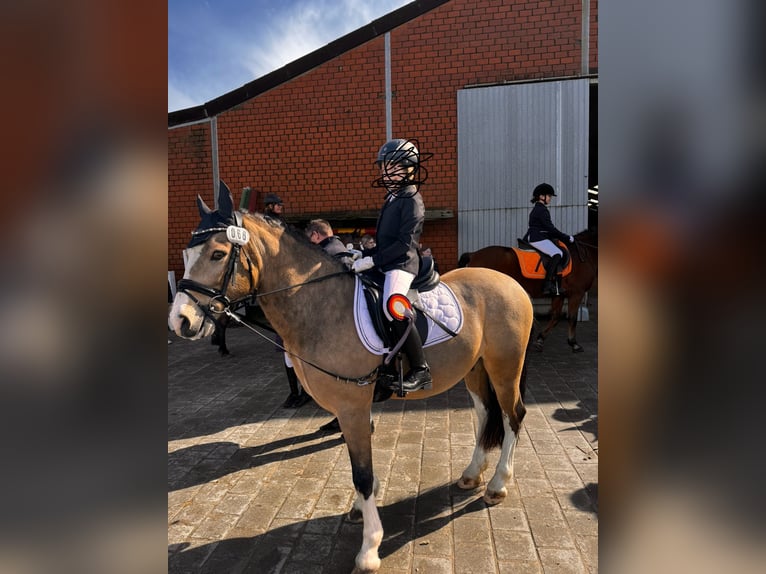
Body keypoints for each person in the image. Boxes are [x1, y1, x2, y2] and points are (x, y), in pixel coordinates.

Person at [352, 138, 432, 393]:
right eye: (384, 168)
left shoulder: (411, 199)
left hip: (403, 263)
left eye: (393, 168)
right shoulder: (392, 198)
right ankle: (385, 357)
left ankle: (420, 369)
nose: (386, 173)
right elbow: (384, 241)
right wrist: (363, 254)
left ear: (409, 169)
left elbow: (404, 243)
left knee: (393, 305)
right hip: (387, 260)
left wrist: (373, 260)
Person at [261, 192, 311, 407]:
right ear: (271, 206)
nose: (281, 207)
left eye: (281, 204)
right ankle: (295, 390)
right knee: (286, 350)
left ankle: (304, 390)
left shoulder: (281, 224)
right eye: (278, 205)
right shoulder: (270, 225)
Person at [524, 182, 575, 295]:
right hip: (537, 237)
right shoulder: (541, 210)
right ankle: (547, 284)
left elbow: (547, 229)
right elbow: (551, 229)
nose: (550, 199)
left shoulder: (538, 209)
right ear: (542, 196)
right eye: (549, 196)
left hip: (538, 236)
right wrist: (566, 238)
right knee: (557, 253)